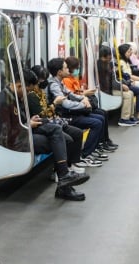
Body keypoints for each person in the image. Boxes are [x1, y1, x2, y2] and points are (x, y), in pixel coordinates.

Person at [19, 69, 90, 201]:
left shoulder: (33, 94)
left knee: (67, 137)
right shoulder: (24, 97)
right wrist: (29, 123)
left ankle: (64, 180)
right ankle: (64, 178)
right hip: (23, 134)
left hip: (35, 126)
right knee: (61, 136)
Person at [29, 65, 93, 170]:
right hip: (45, 124)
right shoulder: (32, 95)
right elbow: (41, 115)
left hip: (53, 120)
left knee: (77, 133)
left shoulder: (41, 92)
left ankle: (72, 163)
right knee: (66, 139)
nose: (44, 81)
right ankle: (60, 170)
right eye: (42, 79)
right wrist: (55, 103)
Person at [47, 58, 108, 165]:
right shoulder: (54, 85)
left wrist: (83, 99)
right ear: (59, 72)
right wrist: (82, 104)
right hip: (64, 116)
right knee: (97, 123)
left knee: (100, 118)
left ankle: (92, 150)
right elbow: (65, 103)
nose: (68, 70)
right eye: (66, 68)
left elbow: (71, 94)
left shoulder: (60, 82)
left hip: (69, 113)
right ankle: (85, 154)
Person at [62, 56, 117, 154]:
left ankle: (103, 141)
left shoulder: (73, 79)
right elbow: (71, 97)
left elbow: (75, 93)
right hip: (74, 110)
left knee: (103, 113)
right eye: (76, 68)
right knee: (98, 120)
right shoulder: (66, 81)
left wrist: (84, 92)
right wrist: (85, 94)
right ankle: (88, 152)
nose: (78, 70)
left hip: (80, 106)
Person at [96, 46, 138, 126]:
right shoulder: (102, 65)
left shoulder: (108, 64)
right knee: (128, 95)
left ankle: (130, 116)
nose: (111, 57)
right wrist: (121, 86)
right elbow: (111, 81)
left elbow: (113, 80)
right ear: (106, 55)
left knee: (131, 93)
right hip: (107, 91)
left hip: (111, 88)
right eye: (110, 55)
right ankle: (124, 119)